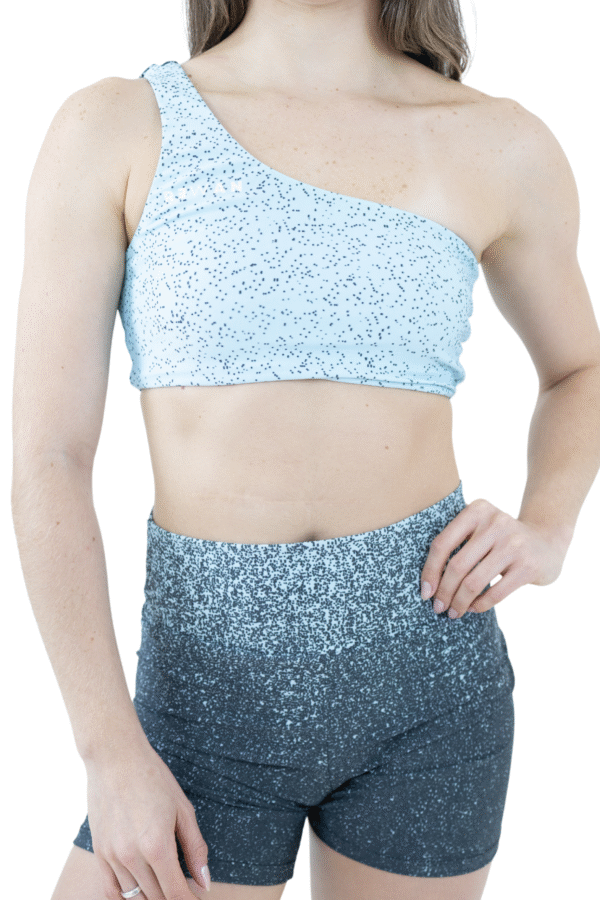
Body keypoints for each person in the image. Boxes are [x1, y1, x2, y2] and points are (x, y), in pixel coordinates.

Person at [11, 0, 600, 898]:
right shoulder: (116, 127)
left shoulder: (500, 143)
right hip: (200, 705)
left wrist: (548, 526)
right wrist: (108, 751)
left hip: (431, 691)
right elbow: (48, 457)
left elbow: (580, 370)